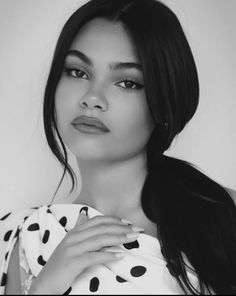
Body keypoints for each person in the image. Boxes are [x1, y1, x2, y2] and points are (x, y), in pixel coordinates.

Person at [0, 0, 235, 294]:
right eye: (77, 72)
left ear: (165, 103)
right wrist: (45, 287)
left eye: (127, 82)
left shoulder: (223, 215)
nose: (92, 97)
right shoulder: (22, 237)